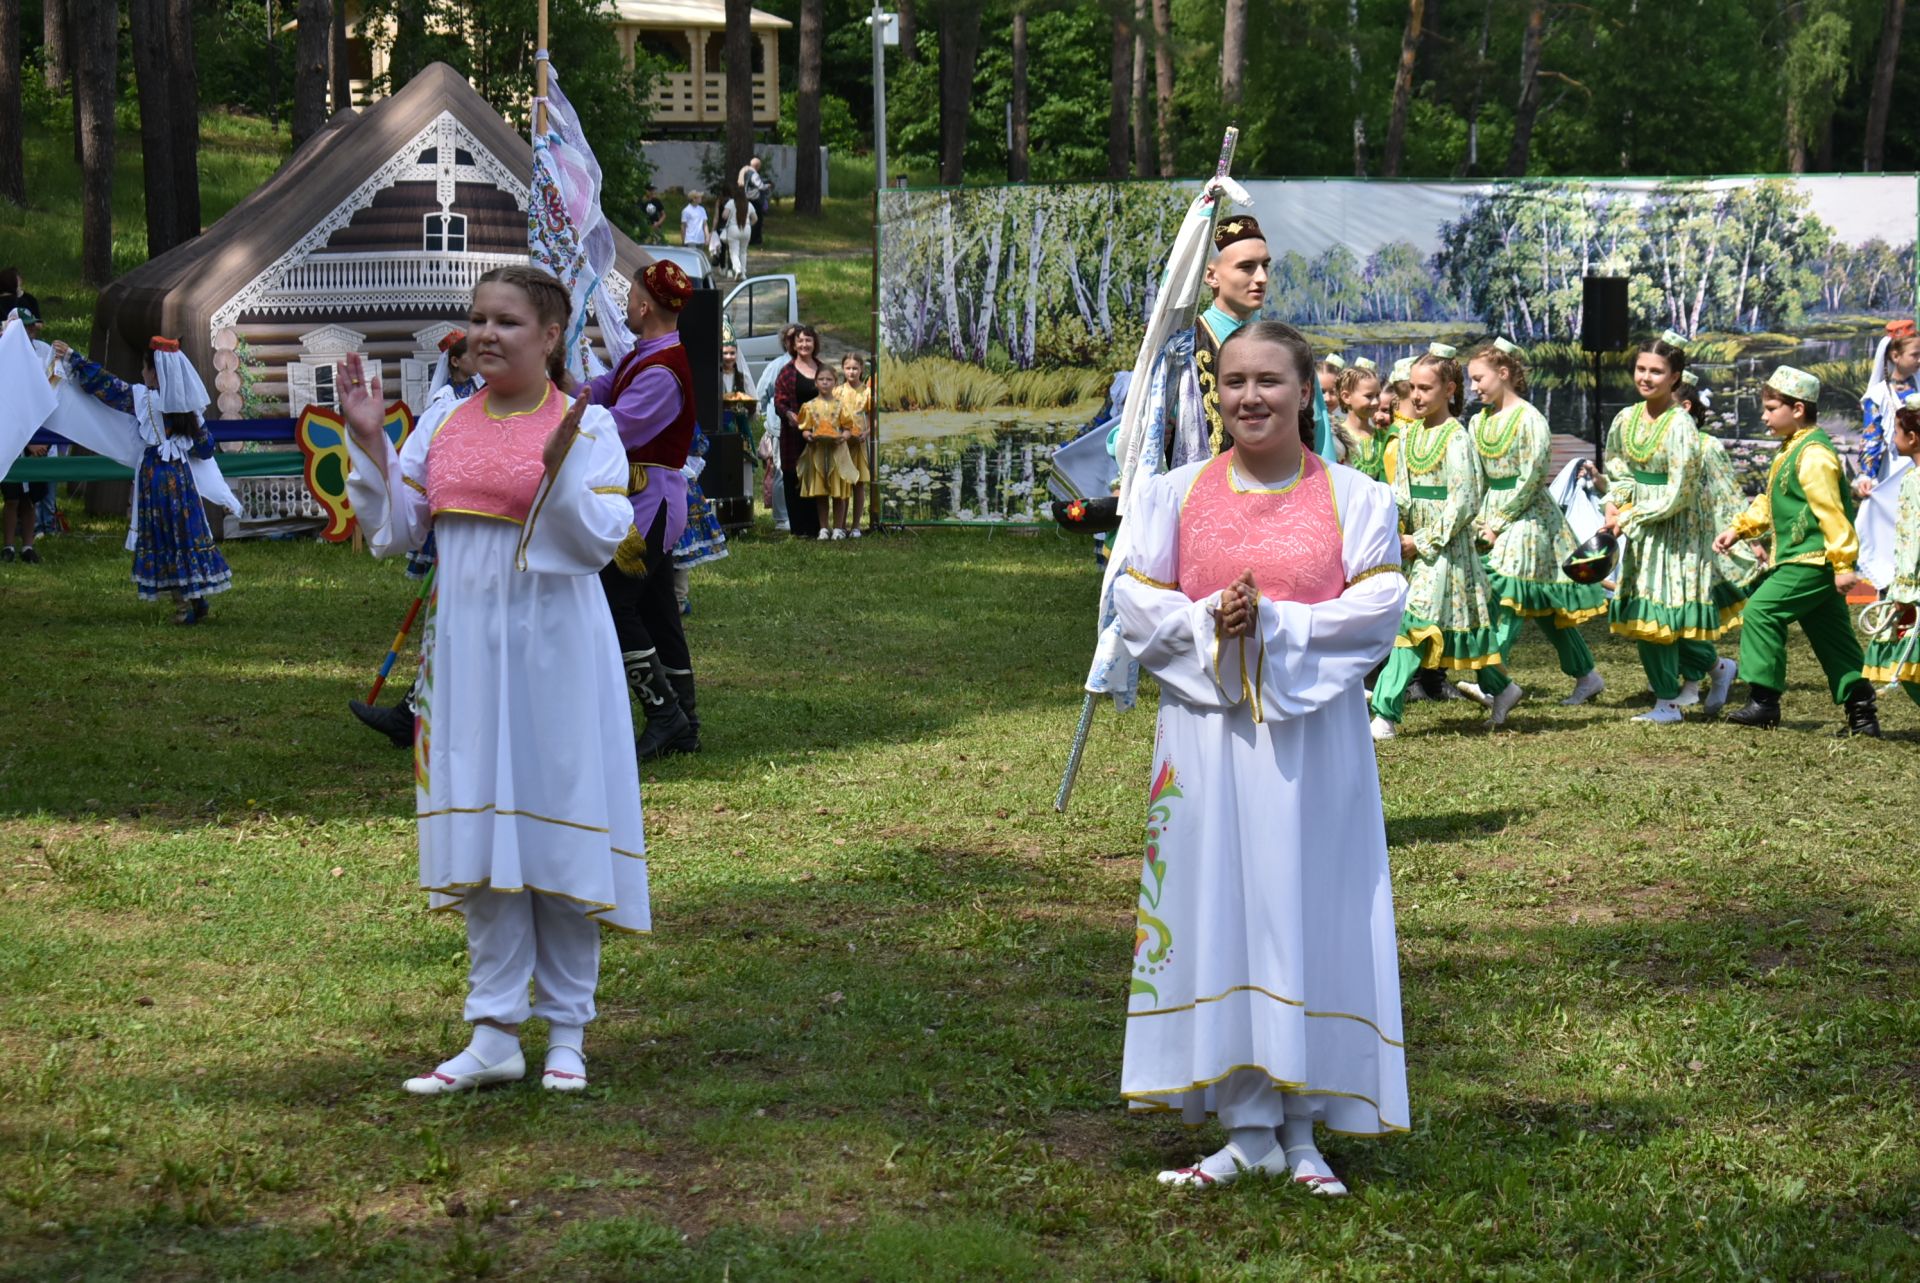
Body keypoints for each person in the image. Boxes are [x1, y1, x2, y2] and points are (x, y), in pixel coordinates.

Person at [1112, 320, 1409, 1195]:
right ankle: (1246, 1127)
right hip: (1208, 743)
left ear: (1306, 388)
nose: (1250, 397)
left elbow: (1381, 603)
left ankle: (1305, 1127)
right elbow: (1131, 596)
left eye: (1270, 381)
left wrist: (1273, 624)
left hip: (1315, 744)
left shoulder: (1358, 498)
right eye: (1234, 380)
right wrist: (1210, 621)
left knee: (1309, 909)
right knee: (1222, 912)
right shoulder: (1170, 494)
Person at [339, 264, 649, 1095]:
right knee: (482, 838)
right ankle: (492, 1031)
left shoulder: (588, 426)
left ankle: (568, 1034)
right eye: (477, 319)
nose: (485, 334)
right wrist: (370, 439)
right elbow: (399, 530)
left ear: (551, 335)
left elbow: (602, 540)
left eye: (507, 321)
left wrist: (553, 476)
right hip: (466, 654)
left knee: (556, 826)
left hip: (556, 649)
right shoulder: (443, 418)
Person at [584, 260, 705, 760]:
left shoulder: (662, 369)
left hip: (648, 505)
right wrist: (560, 390)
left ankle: (664, 714)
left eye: (629, 297)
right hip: (644, 500)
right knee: (657, 611)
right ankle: (686, 723)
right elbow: (603, 390)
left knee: (616, 603)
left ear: (643, 305)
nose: (625, 306)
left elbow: (617, 427)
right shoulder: (647, 354)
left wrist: (570, 422)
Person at [1714, 367, 1878, 736]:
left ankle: (1764, 701)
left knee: (1760, 611)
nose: (1765, 415)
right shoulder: (1793, 449)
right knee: (1833, 638)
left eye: (1772, 408)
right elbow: (1773, 503)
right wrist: (1739, 529)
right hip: (1809, 560)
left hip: (1814, 560)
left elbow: (1831, 512)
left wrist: (1843, 563)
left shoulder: (1814, 454)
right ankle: (1862, 715)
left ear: (1799, 409)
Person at [350, 333, 487, 749]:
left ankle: (414, 714)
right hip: (463, 551)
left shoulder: (565, 412)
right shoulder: (446, 407)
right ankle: (412, 714)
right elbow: (408, 499)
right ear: (458, 362)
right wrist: (372, 441)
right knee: (455, 630)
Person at [1368, 344, 1511, 740]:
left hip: (1444, 548)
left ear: (1449, 389)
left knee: (1412, 626)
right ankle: (1503, 688)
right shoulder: (1411, 434)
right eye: (1412, 387)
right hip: (1416, 546)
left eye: (1426, 388)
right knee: (1453, 629)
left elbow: (1463, 501)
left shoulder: (1457, 438)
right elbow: (1400, 490)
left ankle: (1384, 714)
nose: (1415, 396)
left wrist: (1425, 540)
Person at [1459, 338, 1609, 709]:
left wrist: (1501, 520)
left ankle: (1493, 679)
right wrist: (1477, 517)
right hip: (1490, 513)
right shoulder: (1478, 422)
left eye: (1479, 378)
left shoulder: (1530, 419)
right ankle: (1587, 675)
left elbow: (1532, 477)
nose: (1473, 387)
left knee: (1505, 595)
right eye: (1471, 380)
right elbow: (1477, 475)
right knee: (1545, 607)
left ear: (1504, 373)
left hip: (1528, 519)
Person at [1601, 331, 1741, 724]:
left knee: (1658, 619)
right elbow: (1619, 468)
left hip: (1677, 532)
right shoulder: (1626, 418)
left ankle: (1667, 704)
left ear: (1675, 377)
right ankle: (1716, 668)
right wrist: (1616, 503)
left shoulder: (1681, 425)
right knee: (1651, 617)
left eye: (1657, 371)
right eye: (1641, 368)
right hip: (1644, 528)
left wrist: (1628, 516)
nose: (1646, 377)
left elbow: (1679, 492)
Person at [61, 337, 233, 621]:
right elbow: (205, 449)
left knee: (165, 535)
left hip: (155, 476)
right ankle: (195, 597)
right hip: (180, 476)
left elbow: (108, 386)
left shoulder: (144, 398)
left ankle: (182, 607)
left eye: (144, 368)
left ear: (155, 372)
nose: (142, 373)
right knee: (184, 532)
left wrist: (74, 358)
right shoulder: (189, 408)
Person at [1860, 393, 1920, 706]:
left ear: (1912, 437)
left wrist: (1904, 587)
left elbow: (1914, 538)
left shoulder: (1915, 481)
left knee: (1909, 659)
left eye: (1896, 432)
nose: (1893, 438)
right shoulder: (1910, 476)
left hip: (1914, 587)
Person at [670, 422, 730, 614]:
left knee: (671, 543)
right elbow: (699, 444)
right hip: (675, 482)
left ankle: (676, 598)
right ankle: (678, 598)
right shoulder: (676, 405)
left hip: (647, 481)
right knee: (678, 541)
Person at [773, 324, 826, 539]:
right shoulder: (787, 371)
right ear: (794, 345)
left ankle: (818, 526)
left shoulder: (822, 369)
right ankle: (799, 528)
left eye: (808, 341)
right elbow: (779, 401)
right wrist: (788, 415)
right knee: (795, 477)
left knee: (819, 477)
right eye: (800, 341)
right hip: (794, 435)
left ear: (814, 344)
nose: (804, 345)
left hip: (820, 434)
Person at [797, 364, 859, 539]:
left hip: (837, 451)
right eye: (821, 380)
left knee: (838, 491)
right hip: (817, 451)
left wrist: (843, 437)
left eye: (829, 380)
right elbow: (805, 428)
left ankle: (838, 527)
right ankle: (823, 527)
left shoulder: (841, 406)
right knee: (821, 492)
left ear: (835, 382)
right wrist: (808, 436)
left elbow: (848, 428)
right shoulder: (809, 406)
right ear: (815, 383)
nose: (825, 383)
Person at [1859, 319, 1919, 485]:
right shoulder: (1879, 396)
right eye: (1915, 355)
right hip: (1896, 470)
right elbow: (1872, 438)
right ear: (1895, 356)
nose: (1919, 360)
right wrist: (1867, 475)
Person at [754, 324, 800, 533]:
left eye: (799, 338)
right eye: (791, 339)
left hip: (806, 428)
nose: (796, 343)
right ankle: (782, 517)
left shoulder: (811, 365)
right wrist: (768, 418)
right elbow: (761, 394)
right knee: (781, 471)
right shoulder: (777, 365)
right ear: (785, 342)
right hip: (780, 428)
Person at [1332, 360, 1387, 480]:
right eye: (1369, 396)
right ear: (1346, 397)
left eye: (1377, 395)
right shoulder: (1336, 437)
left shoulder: (1383, 436)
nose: (1376, 402)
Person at [839, 352, 875, 535]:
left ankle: (856, 525)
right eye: (848, 368)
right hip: (843, 444)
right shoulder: (838, 392)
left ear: (861, 370)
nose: (851, 372)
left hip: (860, 443)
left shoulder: (867, 392)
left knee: (858, 484)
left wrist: (867, 433)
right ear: (843, 369)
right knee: (843, 482)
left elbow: (874, 417)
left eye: (855, 368)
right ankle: (841, 524)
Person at [719, 184, 758, 278]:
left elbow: (724, 215)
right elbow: (755, 218)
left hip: (733, 228)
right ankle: (743, 274)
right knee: (743, 252)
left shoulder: (731, 203)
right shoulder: (749, 204)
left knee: (734, 252)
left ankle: (737, 269)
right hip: (746, 228)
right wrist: (749, 225)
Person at [741, 156, 770, 246]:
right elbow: (760, 186)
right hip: (754, 200)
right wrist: (767, 186)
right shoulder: (754, 174)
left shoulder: (746, 173)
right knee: (757, 220)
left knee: (748, 219)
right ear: (757, 166)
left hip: (747, 198)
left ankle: (747, 238)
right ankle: (754, 239)